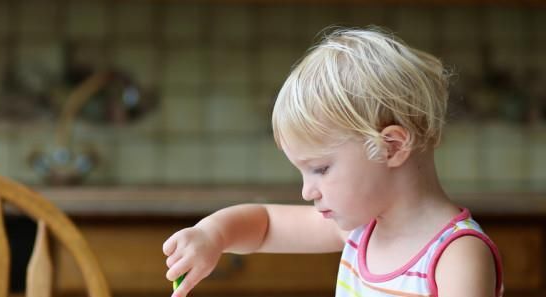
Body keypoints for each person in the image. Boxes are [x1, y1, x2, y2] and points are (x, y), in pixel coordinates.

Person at [162, 27, 503, 297]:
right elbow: (264, 224)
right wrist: (212, 236)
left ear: (392, 147)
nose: (308, 191)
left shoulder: (456, 256)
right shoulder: (360, 230)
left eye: (321, 169)